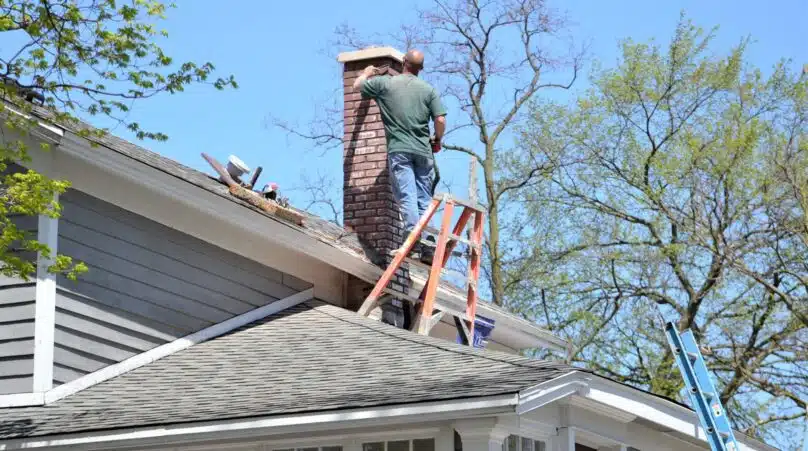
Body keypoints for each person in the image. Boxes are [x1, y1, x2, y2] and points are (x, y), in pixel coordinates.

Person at [352, 49, 447, 264]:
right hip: (424, 151)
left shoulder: (385, 84)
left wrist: (367, 72)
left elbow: (356, 86)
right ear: (420, 69)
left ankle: (412, 240)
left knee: (407, 196)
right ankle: (429, 246)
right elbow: (440, 120)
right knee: (424, 199)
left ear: (404, 62)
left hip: (400, 150)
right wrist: (437, 139)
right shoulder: (428, 90)